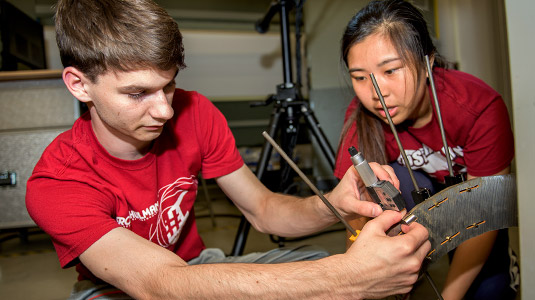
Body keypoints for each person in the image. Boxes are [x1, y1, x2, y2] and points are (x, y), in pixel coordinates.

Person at [25, 0, 431, 299]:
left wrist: (335, 204)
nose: (165, 109)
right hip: (115, 288)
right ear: (79, 85)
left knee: (314, 261)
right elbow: (159, 284)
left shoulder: (194, 111)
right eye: (137, 93)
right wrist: (346, 278)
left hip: (197, 266)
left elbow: (264, 210)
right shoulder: (57, 182)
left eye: (168, 84)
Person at [334, 0, 517, 299]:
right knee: (391, 180)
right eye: (359, 77)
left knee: (488, 291)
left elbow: (485, 212)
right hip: (412, 204)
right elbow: (355, 215)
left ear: (428, 61)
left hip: (475, 207)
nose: (377, 93)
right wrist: (364, 280)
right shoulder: (360, 119)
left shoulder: (479, 108)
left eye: (391, 70)